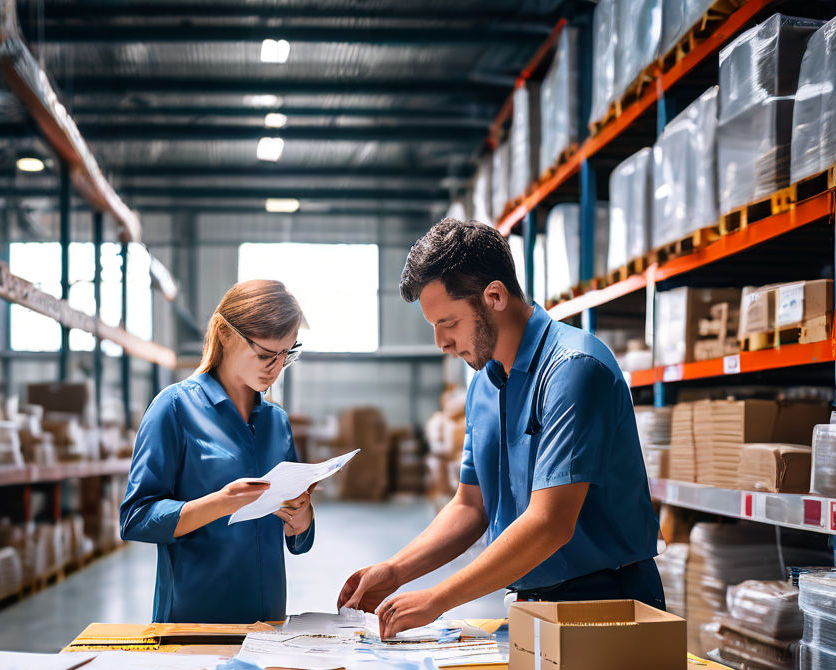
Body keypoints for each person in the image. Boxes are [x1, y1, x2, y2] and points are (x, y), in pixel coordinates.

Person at [339, 218, 663, 637]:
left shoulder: (574, 370)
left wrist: (438, 598)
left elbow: (550, 523)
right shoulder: (484, 385)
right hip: (530, 605)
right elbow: (470, 507)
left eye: (448, 323)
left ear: (494, 296)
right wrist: (395, 570)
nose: (441, 343)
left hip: (608, 606)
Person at [120, 279, 315, 623]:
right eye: (265, 355)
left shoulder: (276, 422)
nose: (276, 368)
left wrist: (301, 519)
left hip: (267, 625)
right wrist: (219, 504)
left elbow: (298, 542)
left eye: (287, 354)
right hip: (193, 622)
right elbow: (136, 518)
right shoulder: (175, 408)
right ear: (225, 334)